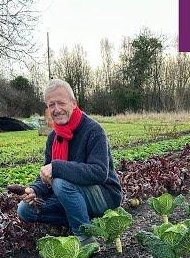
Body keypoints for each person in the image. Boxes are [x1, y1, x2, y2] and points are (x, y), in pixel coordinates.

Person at [15, 79, 123, 247]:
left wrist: (57, 167)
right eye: (51, 105)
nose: (56, 110)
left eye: (61, 103)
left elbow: (100, 172)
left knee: (60, 182)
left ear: (73, 103)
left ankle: (86, 238)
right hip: (72, 194)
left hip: (104, 195)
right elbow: (47, 174)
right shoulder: (53, 137)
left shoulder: (93, 131)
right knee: (25, 209)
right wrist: (35, 189)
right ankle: (80, 221)